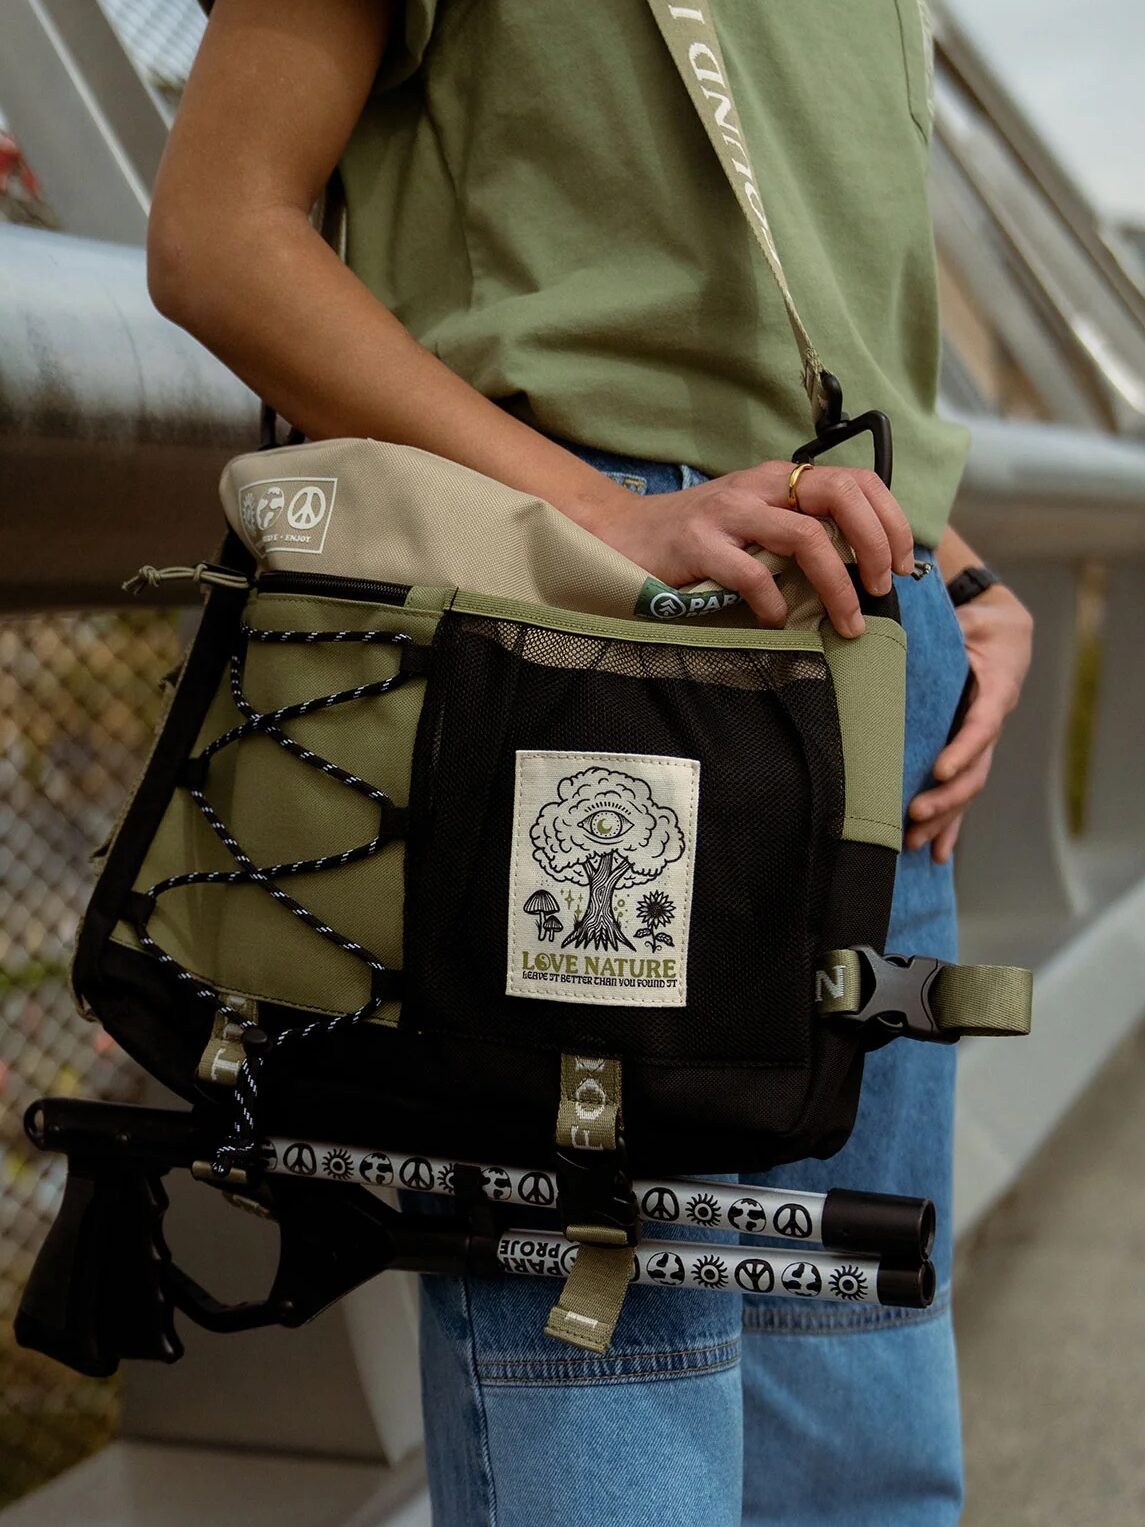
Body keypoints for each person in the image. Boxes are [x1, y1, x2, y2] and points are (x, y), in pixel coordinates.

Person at [149, 2, 1034, 1520]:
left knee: (862, 1396)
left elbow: (776, 313)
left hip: (855, 624)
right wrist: (593, 512)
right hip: (593, 634)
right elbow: (219, 229)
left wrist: (945, 565)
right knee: (616, 1409)